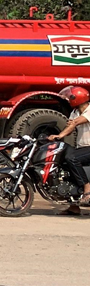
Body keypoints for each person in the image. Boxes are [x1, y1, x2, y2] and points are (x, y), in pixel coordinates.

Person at [49, 85, 90, 215]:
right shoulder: (75, 112)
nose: (68, 100)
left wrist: (60, 135)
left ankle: (87, 188)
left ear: (76, 98)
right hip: (83, 147)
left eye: (70, 98)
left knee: (71, 158)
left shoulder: (89, 110)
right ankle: (74, 206)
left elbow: (75, 123)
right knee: (65, 163)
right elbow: (71, 126)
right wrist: (58, 135)